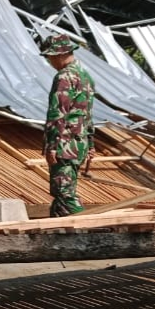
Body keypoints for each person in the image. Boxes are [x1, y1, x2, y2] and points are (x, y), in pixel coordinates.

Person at [40, 33, 96, 217]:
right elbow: (88, 113)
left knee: (63, 192)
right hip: (79, 142)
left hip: (64, 143)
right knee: (61, 196)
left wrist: (52, 146)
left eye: (49, 57)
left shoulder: (64, 77)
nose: (50, 62)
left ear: (58, 54)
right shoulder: (85, 76)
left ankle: (90, 228)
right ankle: (55, 235)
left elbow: (58, 113)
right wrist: (91, 143)